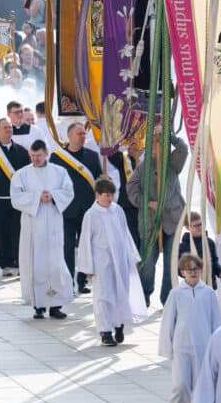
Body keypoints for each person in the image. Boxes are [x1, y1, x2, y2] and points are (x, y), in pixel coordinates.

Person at [76, 178, 147, 345]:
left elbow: (125, 234)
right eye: (106, 195)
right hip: (102, 262)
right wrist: (87, 266)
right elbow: (85, 240)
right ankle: (105, 332)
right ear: (97, 195)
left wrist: (132, 256)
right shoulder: (91, 215)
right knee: (104, 296)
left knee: (121, 292)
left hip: (120, 259)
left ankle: (119, 325)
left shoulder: (118, 210)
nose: (109, 199)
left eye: (111, 195)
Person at [10, 139, 75, 320]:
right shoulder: (22, 174)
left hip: (53, 224)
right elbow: (15, 197)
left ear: (46, 153)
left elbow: (69, 191)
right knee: (35, 263)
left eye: (38, 155)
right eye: (32, 156)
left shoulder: (59, 172)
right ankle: (38, 304)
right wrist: (37, 197)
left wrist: (53, 196)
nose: (35, 159)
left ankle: (55, 305)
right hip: (33, 224)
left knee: (55, 263)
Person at [126, 126, 188, 306]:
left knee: (171, 263)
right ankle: (144, 293)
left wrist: (171, 137)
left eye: (162, 145)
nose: (158, 149)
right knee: (147, 263)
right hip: (150, 222)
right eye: (155, 145)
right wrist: (147, 203)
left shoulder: (173, 163)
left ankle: (167, 299)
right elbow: (131, 189)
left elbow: (183, 149)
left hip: (172, 219)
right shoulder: (143, 167)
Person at [159, 254, 221, 403]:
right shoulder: (176, 293)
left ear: (201, 270)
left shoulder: (209, 293)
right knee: (180, 385)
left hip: (203, 346)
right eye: (188, 270)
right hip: (181, 346)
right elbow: (168, 322)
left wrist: (218, 349)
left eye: (195, 269)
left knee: (202, 386)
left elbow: (216, 322)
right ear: (182, 272)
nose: (192, 272)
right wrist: (167, 348)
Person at [52, 122, 103, 294]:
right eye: (79, 134)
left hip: (88, 210)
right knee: (66, 247)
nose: (83, 137)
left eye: (84, 134)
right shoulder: (57, 157)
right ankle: (68, 282)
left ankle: (83, 281)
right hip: (66, 209)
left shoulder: (93, 156)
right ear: (69, 136)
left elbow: (98, 181)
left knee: (86, 247)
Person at [0, 118, 31, 277]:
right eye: (5, 128)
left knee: (18, 231)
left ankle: (18, 261)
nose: (8, 130)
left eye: (10, 127)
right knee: (1, 233)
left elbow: (28, 176)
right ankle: (6, 263)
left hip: (17, 200)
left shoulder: (22, 151)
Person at [178, 212, 221, 289]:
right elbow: (179, 270)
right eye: (195, 225)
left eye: (200, 224)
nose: (199, 227)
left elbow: (214, 262)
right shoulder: (183, 247)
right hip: (192, 287)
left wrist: (220, 272)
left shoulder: (209, 242)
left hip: (210, 285)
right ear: (187, 227)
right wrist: (192, 273)